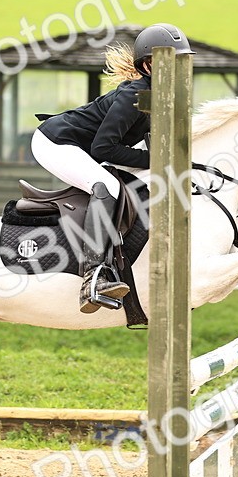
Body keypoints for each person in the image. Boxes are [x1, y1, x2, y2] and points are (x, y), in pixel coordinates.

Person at [31, 23, 195, 313]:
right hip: (55, 142)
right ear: (148, 65)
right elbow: (103, 149)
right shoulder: (134, 96)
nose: (178, 69)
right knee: (106, 187)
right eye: (170, 61)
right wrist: (159, 161)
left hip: (82, 145)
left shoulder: (160, 97)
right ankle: (93, 277)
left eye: (181, 61)